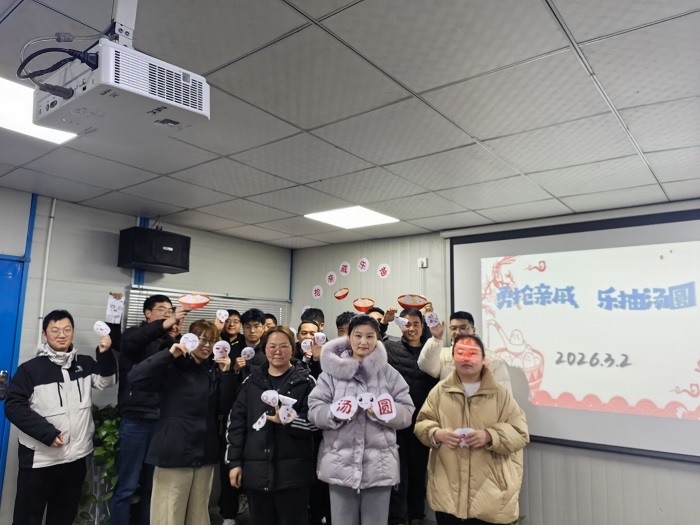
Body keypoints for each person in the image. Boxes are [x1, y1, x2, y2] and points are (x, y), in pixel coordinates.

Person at [5, 309, 117, 525]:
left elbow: (107, 381)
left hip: (75, 458)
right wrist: (47, 433)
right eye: (55, 330)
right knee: (27, 517)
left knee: (63, 516)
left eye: (67, 330)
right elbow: (13, 406)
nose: (61, 335)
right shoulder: (30, 370)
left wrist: (104, 353)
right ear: (44, 334)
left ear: (73, 332)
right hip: (40, 459)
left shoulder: (84, 363)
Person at [308, 315, 415, 525]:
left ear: (378, 339)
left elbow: (407, 411)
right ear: (349, 337)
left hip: (379, 466)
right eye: (358, 336)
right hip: (339, 463)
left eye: (370, 336)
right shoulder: (331, 374)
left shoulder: (389, 373)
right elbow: (314, 410)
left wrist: (385, 413)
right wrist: (335, 413)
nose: (363, 342)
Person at [128, 320, 236, 525]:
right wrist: (169, 354)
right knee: (169, 513)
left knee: (198, 514)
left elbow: (225, 409)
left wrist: (227, 375)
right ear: (190, 339)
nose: (207, 345)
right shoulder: (173, 365)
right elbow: (135, 377)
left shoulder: (214, 370)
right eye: (202, 340)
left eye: (212, 341)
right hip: (174, 451)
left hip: (204, 452)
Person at [414, 334, 529, 524]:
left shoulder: (500, 394)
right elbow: (422, 423)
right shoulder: (439, 391)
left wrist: (490, 435)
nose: (466, 358)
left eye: (473, 353)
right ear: (453, 359)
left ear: (484, 359)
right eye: (460, 353)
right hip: (447, 492)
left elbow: (520, 433)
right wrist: (436, 433)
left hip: (489, 494)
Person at [110, 294, 190, 525]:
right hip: (137, 420)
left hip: (163, 421)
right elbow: (133, 343)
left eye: (171, 310)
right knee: (127, 486)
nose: (168, 314)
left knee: (152, 487)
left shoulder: (170, 342)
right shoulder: (134, 337)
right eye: (162, 310)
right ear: (147, 313)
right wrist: (166, 324)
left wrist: (174, 335)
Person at [226, 326, 318, 525]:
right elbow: (236, 424)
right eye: (272, 346)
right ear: (265, 349)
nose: (278, 351)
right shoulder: (251, 382)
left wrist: (288, 422)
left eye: (284, 346)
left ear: (292, 349)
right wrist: (234, 463)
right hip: (256, 473)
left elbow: (316, 424)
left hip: (294, 476)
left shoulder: (306, 382)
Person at [384, 308, 438, 525]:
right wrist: (384, 323)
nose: (411, 328)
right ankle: (398, 517)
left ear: (422, 326)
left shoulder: (430, 351)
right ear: (400, 325)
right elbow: (372, 345)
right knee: (398, 471)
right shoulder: (390, 348)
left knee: (418, 470)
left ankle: (416, 515)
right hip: (397, 421)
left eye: (416, 324)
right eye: (406, 324)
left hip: (423, 422)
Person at [418, 311, 512, 392]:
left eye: (463, 328)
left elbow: (503, 397)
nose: (458, 332)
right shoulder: (444, 354)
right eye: (453, 328)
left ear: (473, 330)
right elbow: (426, 366)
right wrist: (436, 339)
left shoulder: (493, 360)